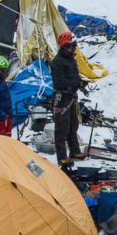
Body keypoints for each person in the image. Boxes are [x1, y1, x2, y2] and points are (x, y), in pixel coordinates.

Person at [50, 31, 84, 165]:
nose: (71, 49)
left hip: (71, 96)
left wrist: (80, 81)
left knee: (73, 125)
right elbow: (60, 82)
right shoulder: (57, 62)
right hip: (62, 97)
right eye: (69, 47)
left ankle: (74, 151)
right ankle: (62, 156)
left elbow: (73, 76)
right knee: (61, 128)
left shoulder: (71, 60)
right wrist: (76, 84)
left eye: (72, 46)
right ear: (63, 47)